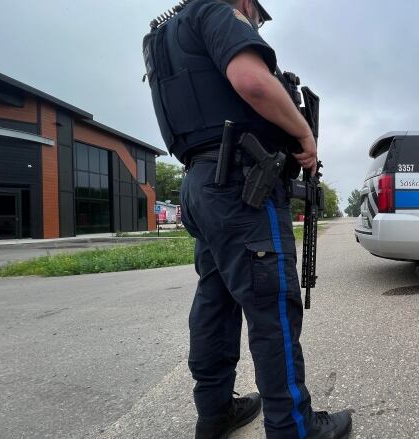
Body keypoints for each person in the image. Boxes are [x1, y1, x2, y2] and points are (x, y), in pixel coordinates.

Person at [142, 1, 352, 438]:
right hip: (242, 182)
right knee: (271, 306)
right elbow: (252, 81)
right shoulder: (216, 12)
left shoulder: (164, 36)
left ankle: (215, 412)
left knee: (215, 302)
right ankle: (294, 427)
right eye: (258, 14)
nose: (257, 24)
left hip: (201, 183)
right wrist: (304, 133)